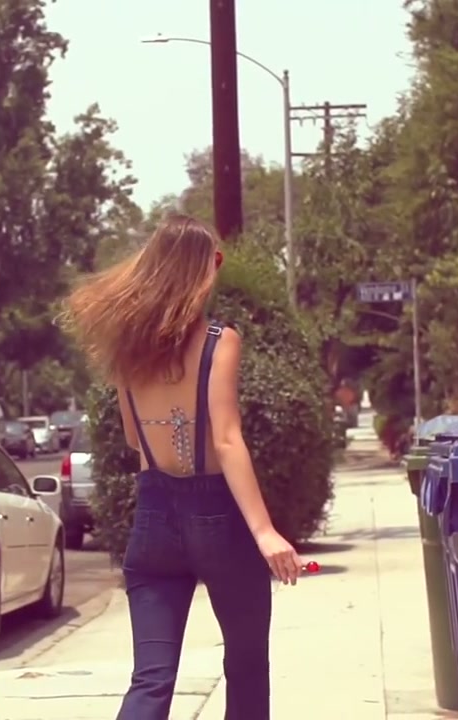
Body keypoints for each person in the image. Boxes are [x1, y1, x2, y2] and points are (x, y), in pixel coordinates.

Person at [59, 213, 305, 720]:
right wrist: (264, 533)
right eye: (216, 260)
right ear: (200, 269)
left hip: (153, 519)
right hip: (218, 519)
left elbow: (134, 438)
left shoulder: (128, 349)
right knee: (246, 667)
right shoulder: (219, 340)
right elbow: (227, 438)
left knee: (151, 678)